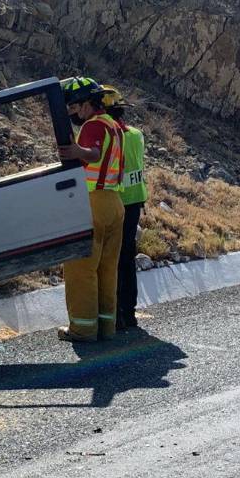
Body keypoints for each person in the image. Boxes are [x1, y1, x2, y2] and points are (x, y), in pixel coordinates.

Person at [56, 77, 124, 343]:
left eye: (74, 106)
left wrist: (75, 150)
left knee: (80, 269)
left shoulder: (93, 125)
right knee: (107, 269)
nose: (73, 112)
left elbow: (93, 154)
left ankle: (83, 328)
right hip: (114, 204)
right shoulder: (115, 126)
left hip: (92, 203)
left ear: (86, 104)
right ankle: (106, 327)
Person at [101, 85, 148, 331]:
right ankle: (128, 312)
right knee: (127, 257)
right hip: (135, 202)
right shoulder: (136, 135)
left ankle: (114, 312)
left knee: (111, 258)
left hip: (115, 201)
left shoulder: (109, 136)